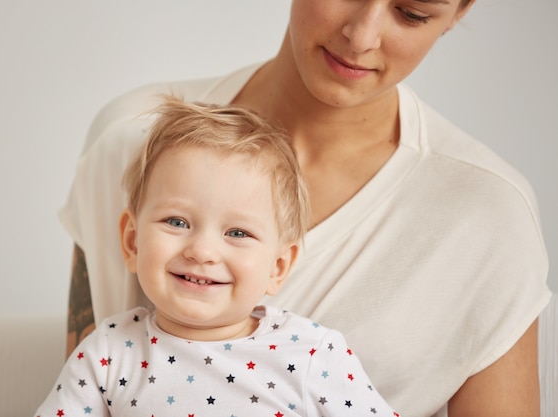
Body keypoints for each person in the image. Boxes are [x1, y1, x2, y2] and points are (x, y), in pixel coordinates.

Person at [60, 1, 552, 416]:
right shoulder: (131, 139)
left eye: (411, 12)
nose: (360, 37)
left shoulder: (490, 216)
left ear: (457, 11)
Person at [36, 97, 400, 417]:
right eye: (177, 222)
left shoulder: (311, 354)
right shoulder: (111, 351)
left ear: (278, 267)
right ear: (132, 242)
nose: (203, 251)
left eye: (237, 233)